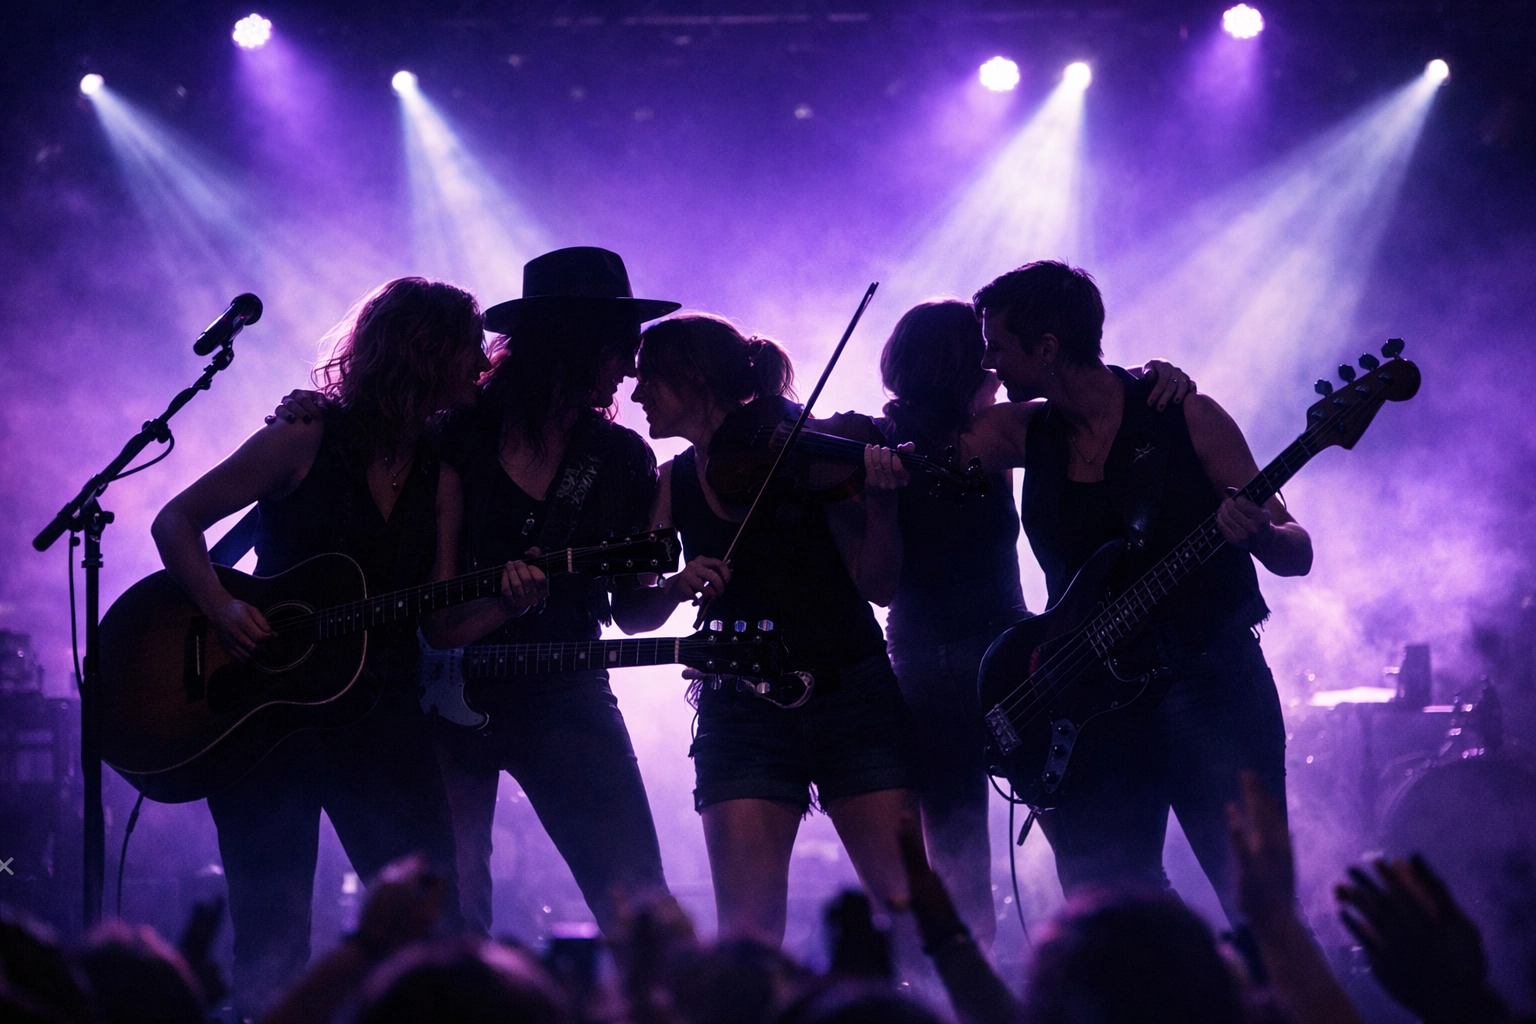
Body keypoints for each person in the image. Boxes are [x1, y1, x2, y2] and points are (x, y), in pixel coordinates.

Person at [151, 277, 485, 1013]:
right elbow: (175, 521)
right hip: (262, 723)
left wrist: (518, 592)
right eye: (470, 346)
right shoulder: (302, 436)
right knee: (270, 939)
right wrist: (221, 605)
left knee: (437, 926)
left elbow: (438, 622)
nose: (484, 362)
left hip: (381, 718)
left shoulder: (444, 473)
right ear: (426, 350)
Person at [962, 260, 1312, 923]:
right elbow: (933, 438)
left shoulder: (1188, 418)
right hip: (1093, 704)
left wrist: (1260, 536)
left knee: (1261, 907)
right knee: (1109, 917)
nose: (988, 362)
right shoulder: (1025, 431)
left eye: (997, 346)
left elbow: (1297, 550)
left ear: (1046, 347)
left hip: (1208, 685)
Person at [868, 300, 1194, 949]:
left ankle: (1096, 965)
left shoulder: (993, 431)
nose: (995, 360)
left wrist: (1155, 377)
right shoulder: (934, 435)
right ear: (959, 363)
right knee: (1082, 842)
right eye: (982, 350)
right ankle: (1138, 951)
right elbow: (1087, 412)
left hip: (991, 661)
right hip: (1005, 660)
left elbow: (1089, 408)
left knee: (979, 857)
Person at [622, 313, 922, 947]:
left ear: (694, 377)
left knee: (912, 915)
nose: (636, 394)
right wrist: (676, 585)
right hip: (740, 713)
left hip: (853, 695)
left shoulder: (804, 452)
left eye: (649, 379)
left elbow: (880, 586)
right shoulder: (671, 481)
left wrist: (885, 502)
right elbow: (633, 612)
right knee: (749, 937)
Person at [420, 247, 681, 937]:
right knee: (449, 906)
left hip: (564, 685)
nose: (631, 367)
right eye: (621, 348)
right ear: (576, 343)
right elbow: (433, 599)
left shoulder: (623, 458)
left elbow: (631, 611)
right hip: (443, 692)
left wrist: (678, 586)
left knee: (636, 897)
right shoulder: (455, 436)